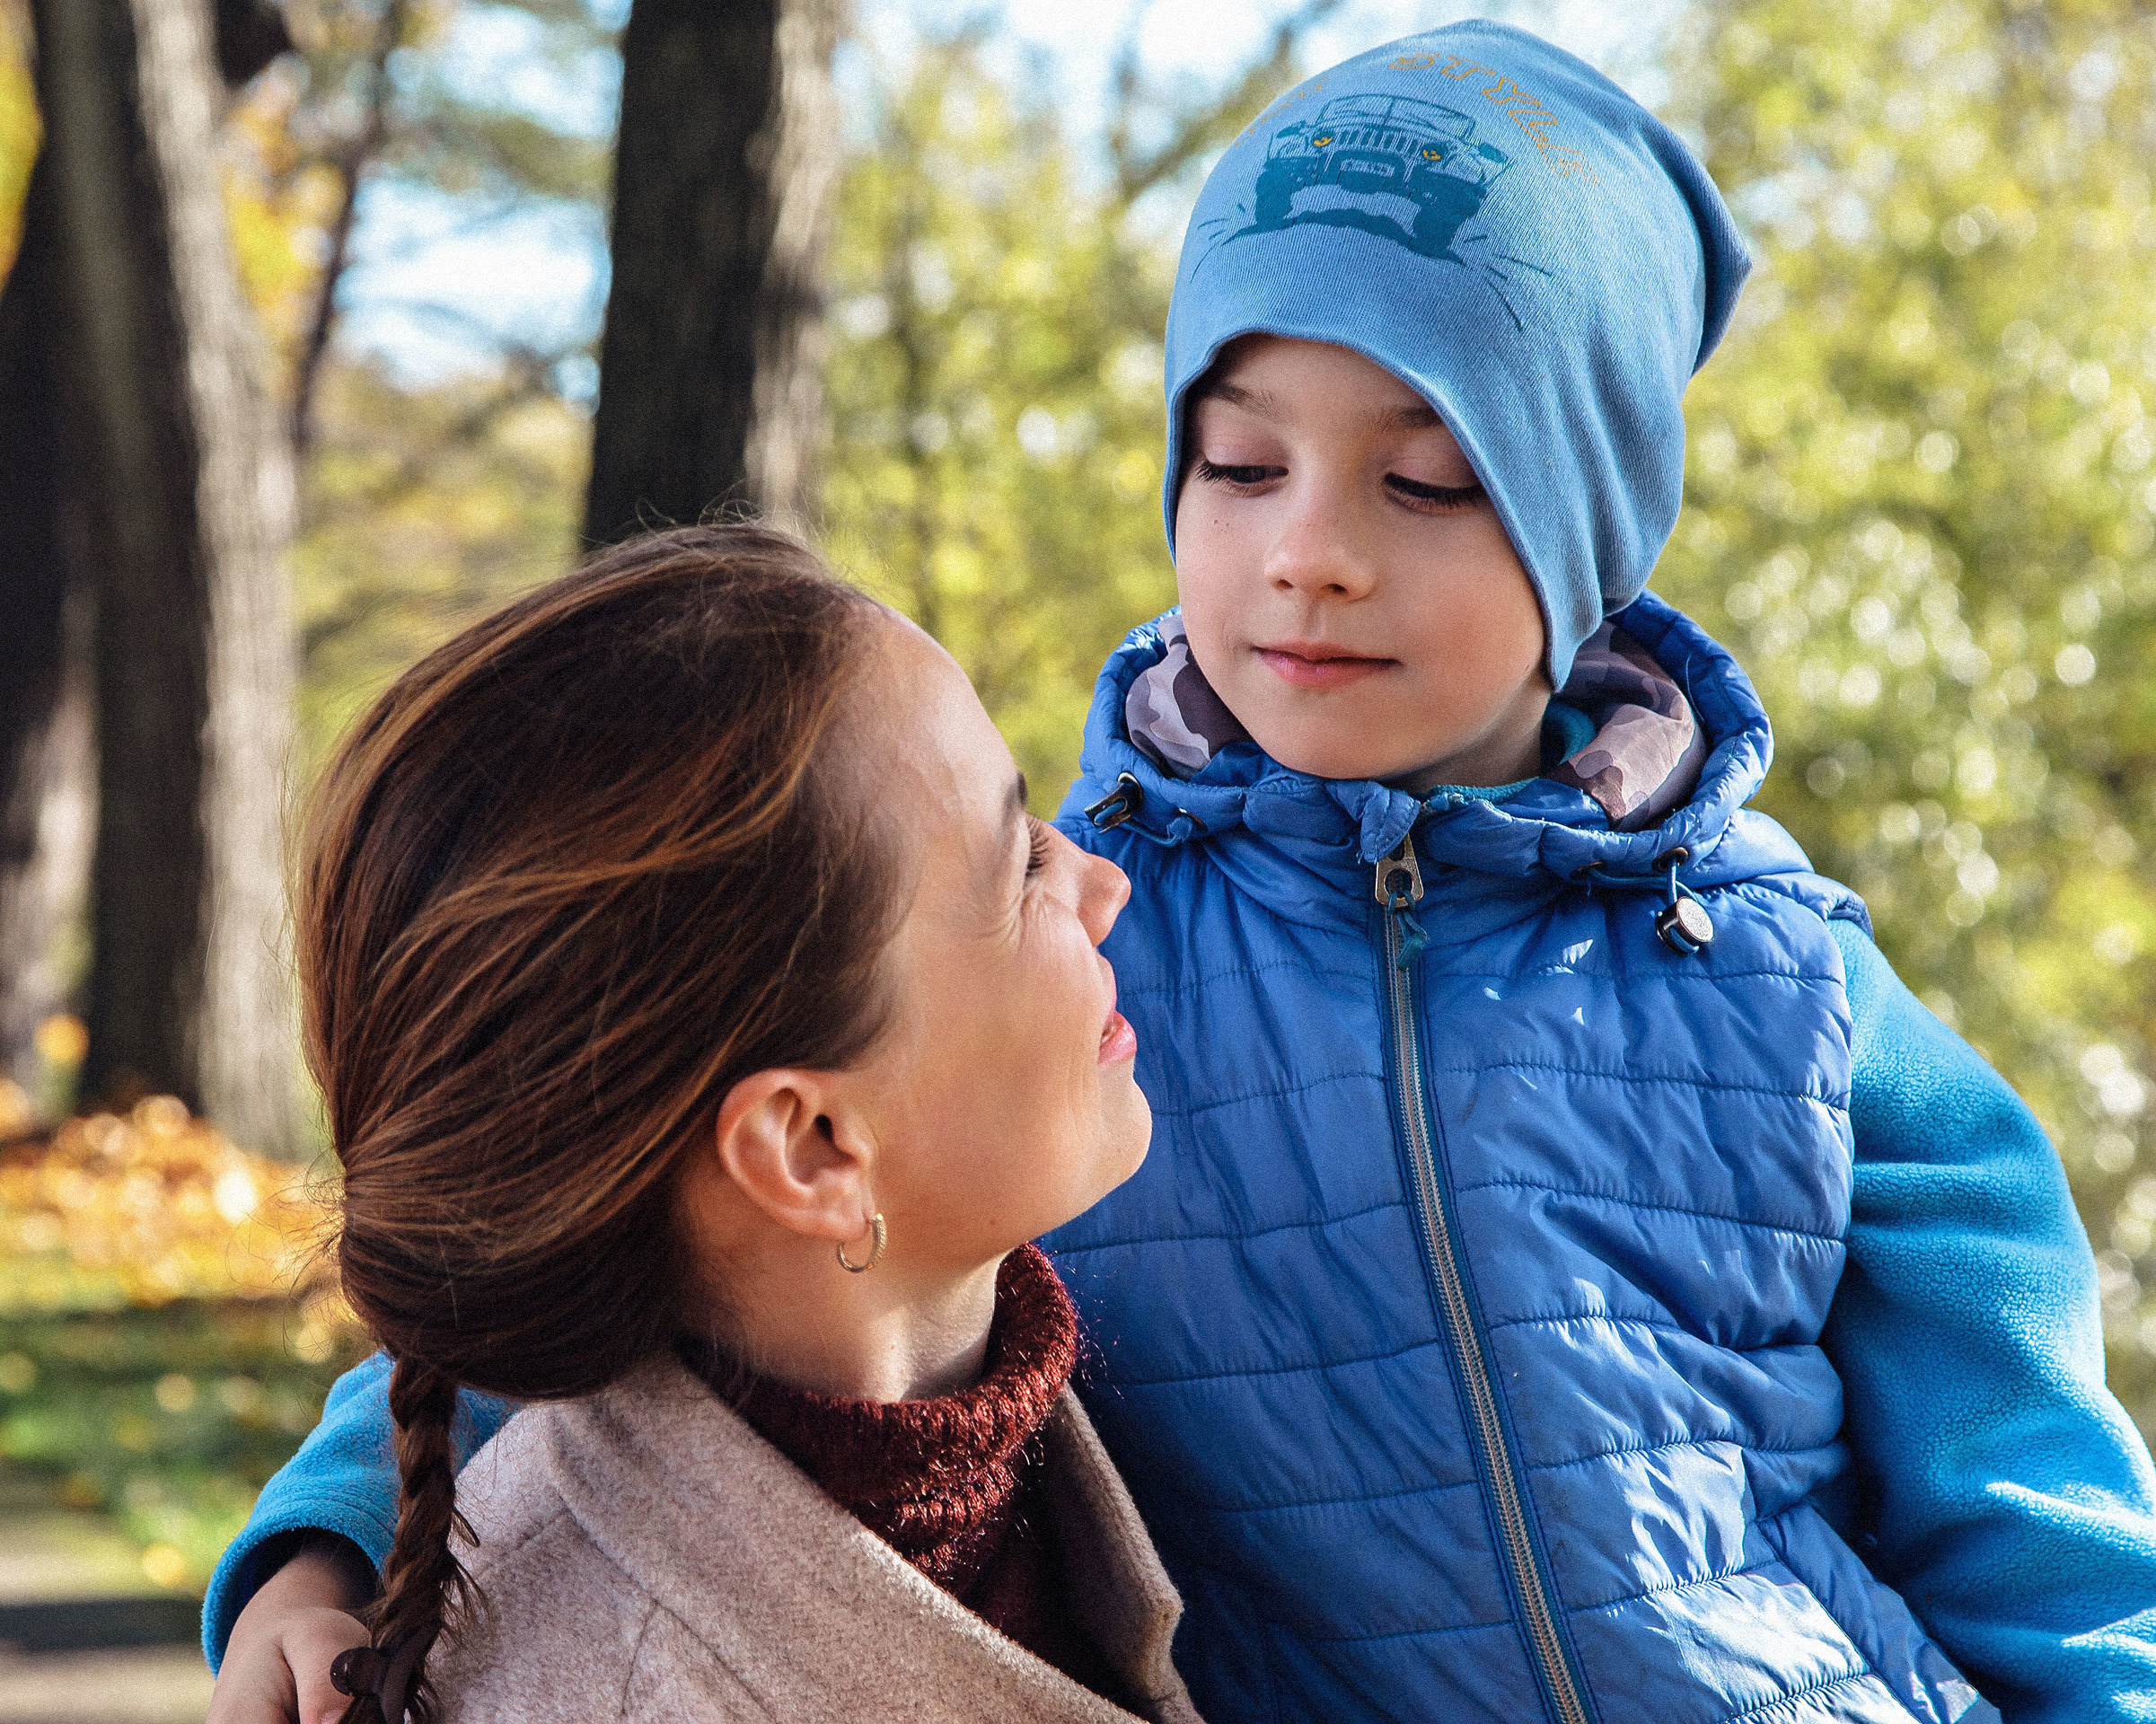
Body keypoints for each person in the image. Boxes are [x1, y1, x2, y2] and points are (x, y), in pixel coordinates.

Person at [207, 21, 2156, 1724]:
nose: (1308, 551)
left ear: (1587, 536)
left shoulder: (1772, 973)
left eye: (1422, 481)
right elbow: (589, 1199)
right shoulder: (1040, 973)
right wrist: (320, 1544)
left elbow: (2027, 1504)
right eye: (1238, 468)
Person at [206, 523, 1203, 1724]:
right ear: (812, 1149)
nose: (1102, 884)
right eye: (1015, 869)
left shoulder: (942, 1363)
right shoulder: (630, 1683)